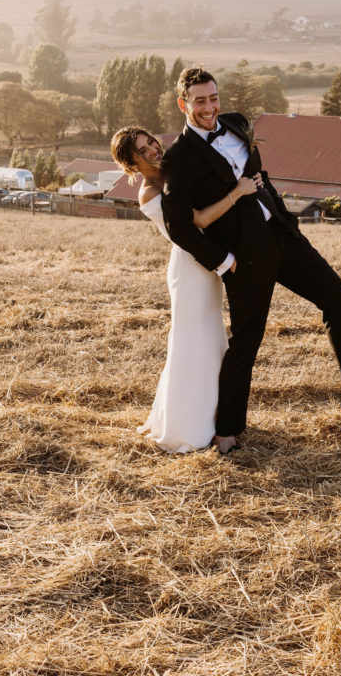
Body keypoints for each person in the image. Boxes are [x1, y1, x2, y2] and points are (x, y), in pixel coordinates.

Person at [162, 67, 341, 454]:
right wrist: (225, 262)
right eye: (200, 101)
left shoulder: (236, 124)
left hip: (283, 237)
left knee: (338, 298)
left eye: (213, 97)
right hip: (245, 259)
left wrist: (279, 210)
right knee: (247, 343)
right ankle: (226, 434)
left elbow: (257, 172)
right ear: (183, 104)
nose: (210, 107)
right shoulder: (179, 158)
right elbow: (179, 227)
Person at [111, 126, 263, 452]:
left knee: (212, 342)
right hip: (191, 269)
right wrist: (237, 193)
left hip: (210, 267)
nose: (153, 148)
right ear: (132, 162)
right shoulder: (150, 193)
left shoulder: (175, 167)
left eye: (151, 140)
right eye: (143, 149)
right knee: (193, 346)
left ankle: (216, 420)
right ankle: (187, 428)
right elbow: (195, 221)